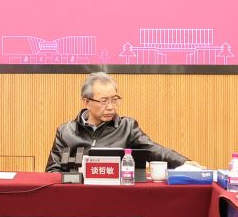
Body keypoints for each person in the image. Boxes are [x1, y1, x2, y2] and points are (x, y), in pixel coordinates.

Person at [47, 72, 186, 172]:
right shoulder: (66, 132)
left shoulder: (127, 127)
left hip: (115, 195)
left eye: (114, 100)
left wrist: (185, 162)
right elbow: (53, 171)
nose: (110, 107)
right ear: (87, 102)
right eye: (104, 101)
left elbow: (154, 151)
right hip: (78, 196)